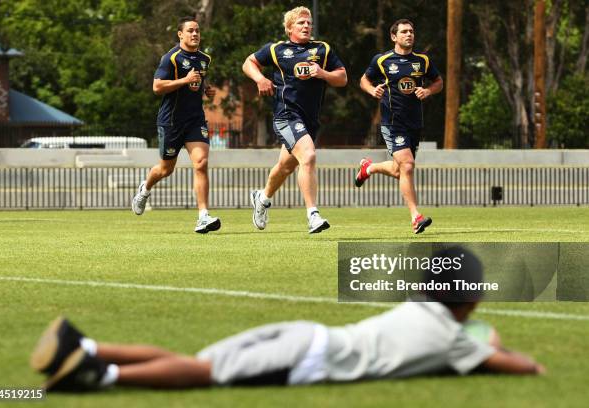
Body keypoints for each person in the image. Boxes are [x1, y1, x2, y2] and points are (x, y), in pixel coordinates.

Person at [31, 247, 544, 392]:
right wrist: (491, 342)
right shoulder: (457, 342)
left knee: (198, 361)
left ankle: (91, 348)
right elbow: (527, 370)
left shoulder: (418, 308)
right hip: (312, 356)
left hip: (309, 334)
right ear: (471, 303)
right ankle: (103, 377)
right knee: (208, 374)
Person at [242, 6, 347, 234]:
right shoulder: (277, 50)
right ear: (290, 28)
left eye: (309, 23)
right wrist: (260, 78)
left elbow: (342, 78)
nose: (307, 26)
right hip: (286, 115)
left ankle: (262, 197)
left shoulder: (322, 49)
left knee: (285, 166)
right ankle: (313, 215)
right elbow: (248, 62)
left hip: (309, 120)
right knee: (308, 156)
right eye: (301, 23)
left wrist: (323, 74)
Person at [131, 16, 220, 234]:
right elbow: (157, 87)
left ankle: (203, 216)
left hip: (195, 120)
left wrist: (205, 88)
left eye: (197, 30)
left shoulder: (204, 58)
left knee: (201, 163)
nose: (195, 34)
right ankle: (145, 188)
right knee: (165, 169)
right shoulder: (170, 58)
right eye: (190, 30)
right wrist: (184, 81)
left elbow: (198, 78)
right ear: (180, 34)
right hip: (171, 121)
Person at [355, 19, 444, 234]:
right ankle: (416, 217)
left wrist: (428, 91)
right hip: (393, 123)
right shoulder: (383, 60)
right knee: (407, 165)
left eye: (412, 31)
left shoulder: (422, 61)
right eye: (404, 31)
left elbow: (438, 81)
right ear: (394, 37)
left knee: (399, 169)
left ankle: (369, 168)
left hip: (414, 123)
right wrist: (371, 90)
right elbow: (363, 80)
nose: (409, 34)